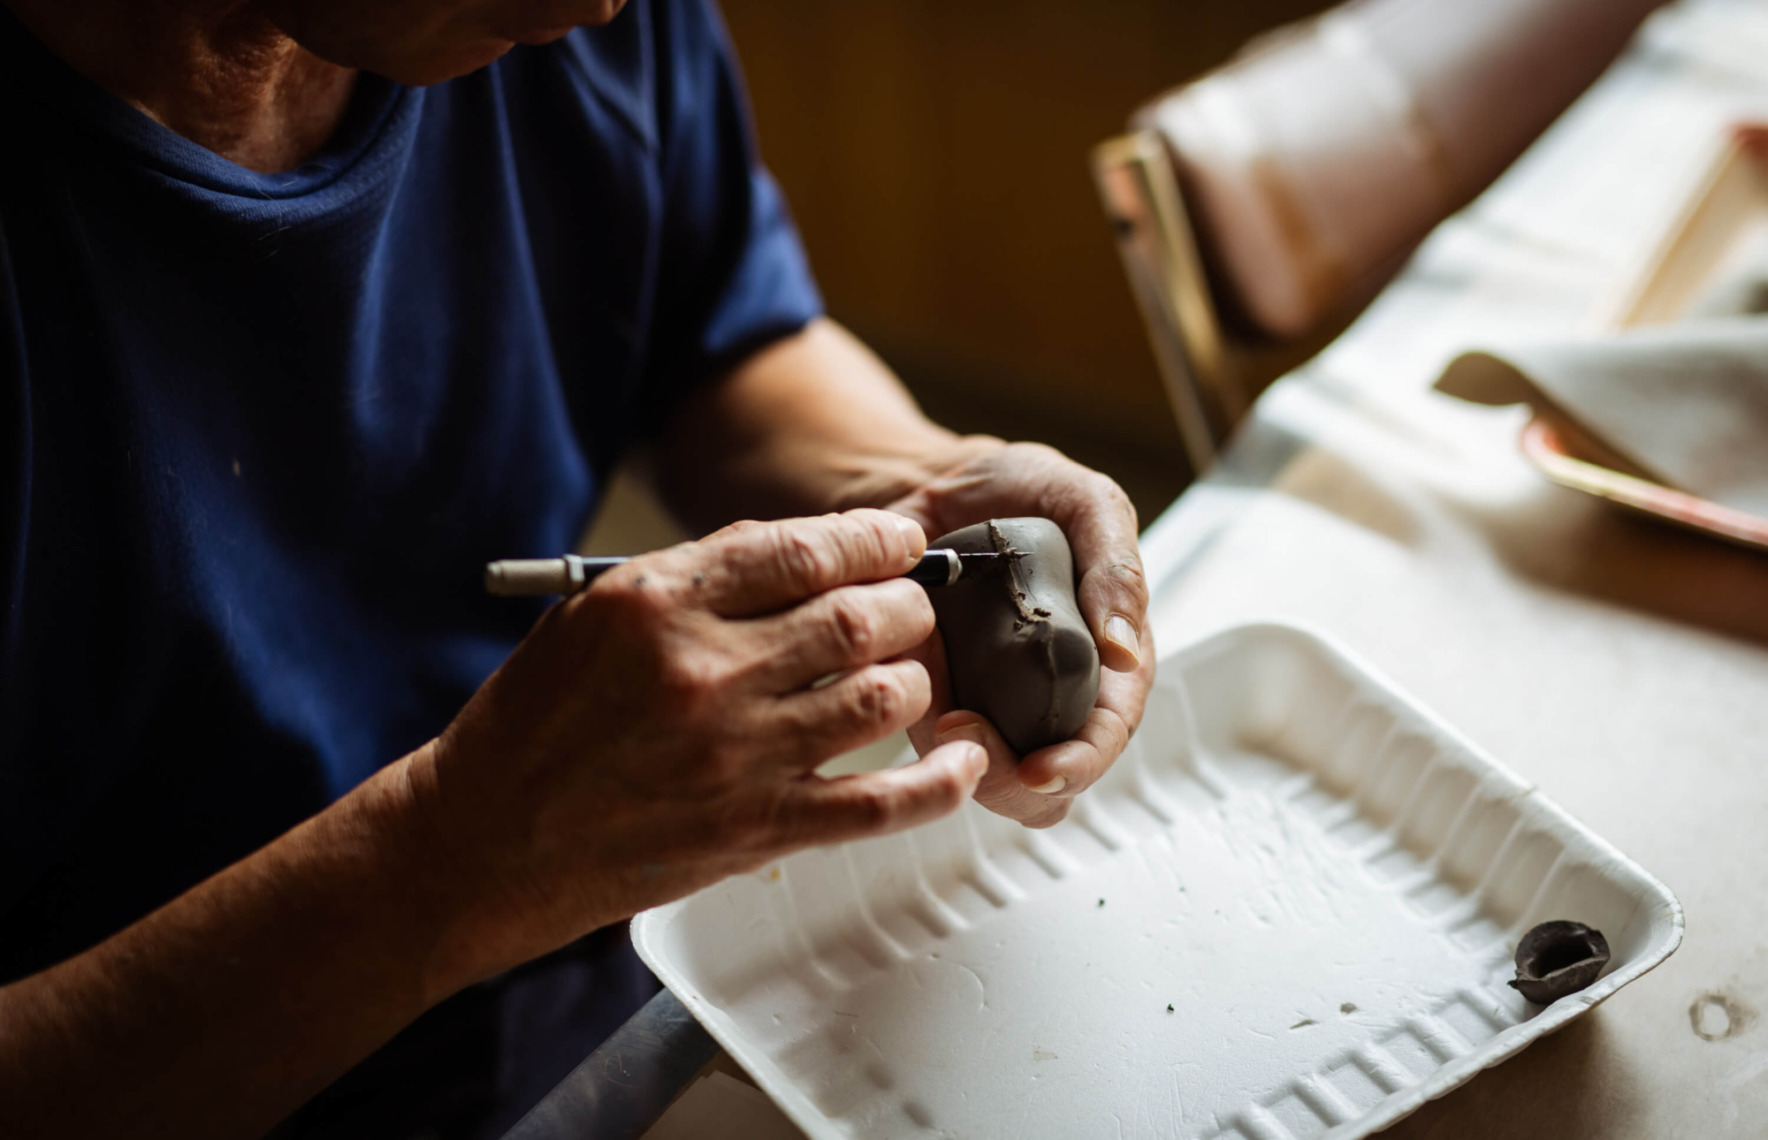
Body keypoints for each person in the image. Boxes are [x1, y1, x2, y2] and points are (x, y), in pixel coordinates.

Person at [0, 0, 1154, 1135]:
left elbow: (724, 336)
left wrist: (918, 483)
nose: (603, 6)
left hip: (611, 1004)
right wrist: (450, 864)